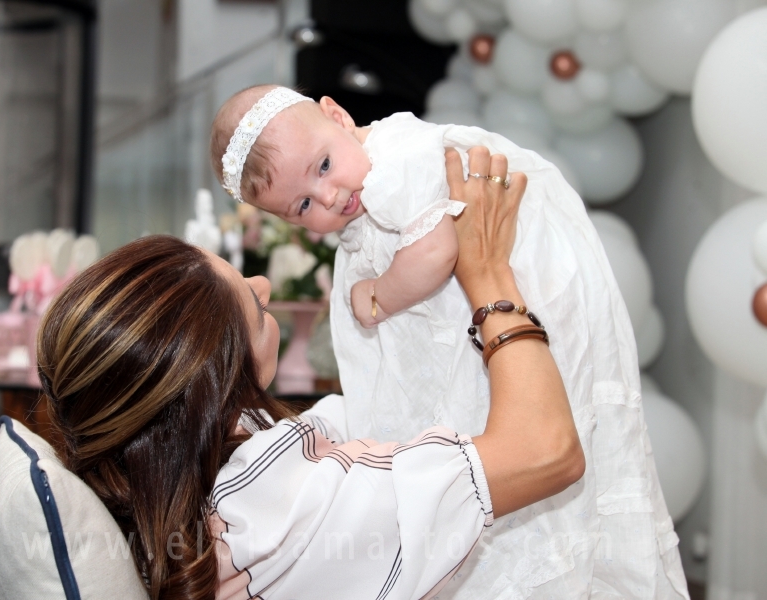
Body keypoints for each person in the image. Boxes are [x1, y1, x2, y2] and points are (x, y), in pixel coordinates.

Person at [209, 85, 689, 598]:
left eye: (323, 166)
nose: (327, 197)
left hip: (526, 288)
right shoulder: (361, 186)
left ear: (338, 115)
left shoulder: (396, 162)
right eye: (303, 205)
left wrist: (377, 297)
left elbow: (439, 250)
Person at [37, 151, 583, 599]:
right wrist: (488, 276)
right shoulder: (276, 514)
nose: (265, 286)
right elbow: (547, 452)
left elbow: (343, 426)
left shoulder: (168, 475)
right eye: (253, 306)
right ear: (215, 390)